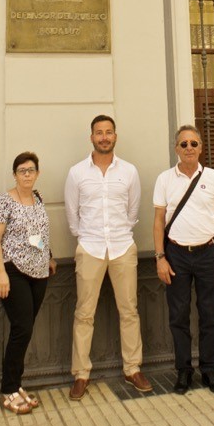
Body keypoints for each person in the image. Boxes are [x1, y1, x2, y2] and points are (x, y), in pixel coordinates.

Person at [64, 115, 151, 399]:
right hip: (89, 248)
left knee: (129, 310)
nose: (104, 137)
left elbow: (133, 212)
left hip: (123, 247)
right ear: (91, 137)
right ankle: (81, 374)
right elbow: (72, 215)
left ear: (115, 136)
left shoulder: (129, 172)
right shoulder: (77, 173)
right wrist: (85, 236)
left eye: (109, 132)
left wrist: (118, 233)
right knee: (84, 313)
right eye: (99, 133)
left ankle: (132, 368)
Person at [153, 125, 214, 394]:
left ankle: (210, 370)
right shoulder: (165, 179)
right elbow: (157, 222)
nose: (189, 148)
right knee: (178, 316)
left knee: (209, 314)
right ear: (176, 148)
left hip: (208, 253)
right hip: (176, 254)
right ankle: (184, 371)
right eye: (184, 144)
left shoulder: (213, 178)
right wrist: (160, 258)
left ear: (201, 147)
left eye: (194, 143)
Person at [0, 152, 56, 414]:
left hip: (39, 273)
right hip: (13, 271)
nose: (27, 174)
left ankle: (17, 386)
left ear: (37, 173)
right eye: (21, 170)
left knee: (26, 329)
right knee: (21, 330)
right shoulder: (3, 201)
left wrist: (48, 255)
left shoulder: (37, 199)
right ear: (15, 175)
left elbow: (37, 234)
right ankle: (9, 388)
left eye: (31, 170)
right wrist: (0, 273)